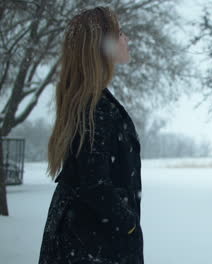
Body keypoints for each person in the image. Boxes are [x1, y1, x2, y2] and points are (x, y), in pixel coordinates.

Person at [38, 6, 143, 264]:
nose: (126, 39)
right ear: (101, 46)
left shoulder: (91, 102)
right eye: (119, 33)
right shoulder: (95, 108)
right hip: (92, 245)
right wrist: (127, 223)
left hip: (88, 240)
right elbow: (93, 183)